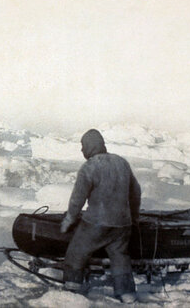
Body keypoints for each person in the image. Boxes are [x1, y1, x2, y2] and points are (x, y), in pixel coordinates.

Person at [60, 129, 141, 303]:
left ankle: (72, 288)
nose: (82, 150)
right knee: (120, 256)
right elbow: (136, 192)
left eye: (83, 146)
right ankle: (126, 293)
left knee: (77, 251)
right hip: (123, 224)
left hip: (97, 222)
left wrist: (69, 219)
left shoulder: (89, 167)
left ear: (89, 147)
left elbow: (77, 199)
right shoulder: (121, 162)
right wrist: (133, 216)